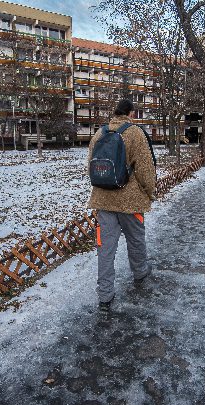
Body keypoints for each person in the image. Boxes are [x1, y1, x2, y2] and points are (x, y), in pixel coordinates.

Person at [88, 99, 156, 312]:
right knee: (136, 240)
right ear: (131, 113)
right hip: (130, 202)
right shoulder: (135, 133)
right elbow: (145, 170)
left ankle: (105, 296)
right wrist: (149, 192)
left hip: (103, 200)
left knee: (105, 249)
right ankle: (140, 273)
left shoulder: (100, 133)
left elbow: (91, 164)